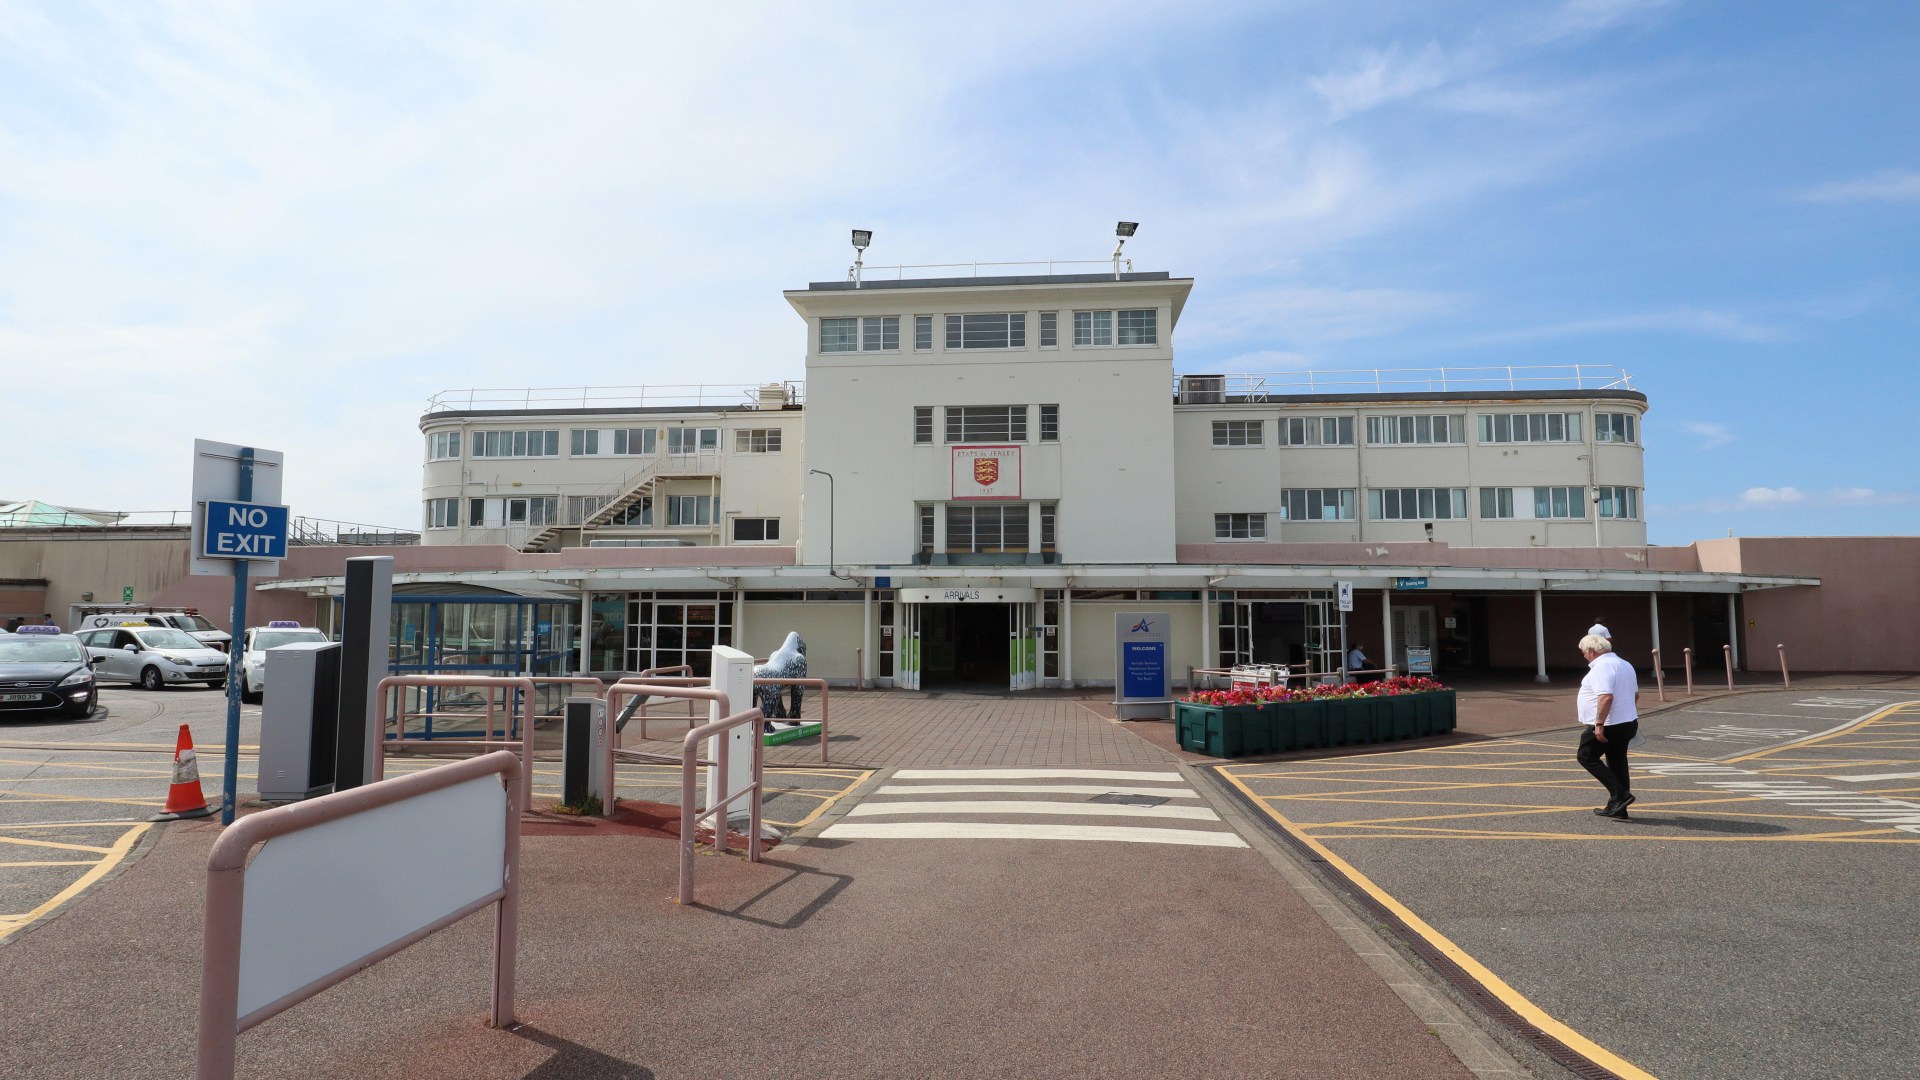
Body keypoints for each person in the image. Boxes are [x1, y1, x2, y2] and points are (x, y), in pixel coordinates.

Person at [1576, 633, 1639, 819]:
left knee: (1586, 756)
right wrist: (1626, 713)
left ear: (1591, 651)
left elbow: (1605, 697)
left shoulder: (1601, 667)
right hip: (1627, 722)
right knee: (1617, 761)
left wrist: (1599, 724)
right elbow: (1635, 696)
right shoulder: (1625, 664)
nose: (1584, 656)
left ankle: (1620, 795)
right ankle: (1619, 808)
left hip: (1609, 723)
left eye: (1584, 652)